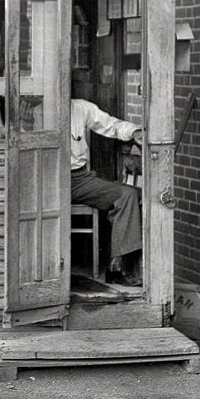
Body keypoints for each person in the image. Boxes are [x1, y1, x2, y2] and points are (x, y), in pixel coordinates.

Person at [70, 98, 145, 286]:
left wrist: (134, 131)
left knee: (128, 195)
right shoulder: (29, 109)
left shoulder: (80, 108)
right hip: (44, 178)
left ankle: (117, 266)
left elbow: (110, 124)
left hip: (78, 179)